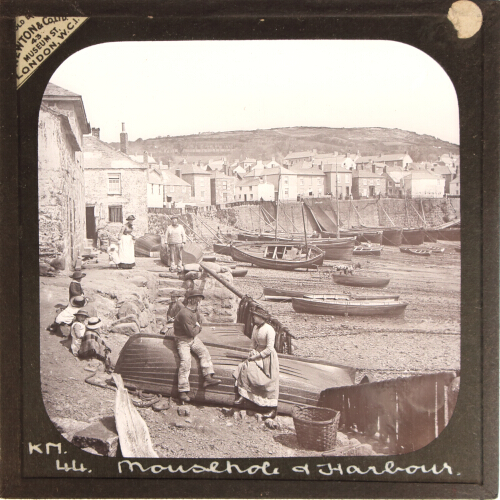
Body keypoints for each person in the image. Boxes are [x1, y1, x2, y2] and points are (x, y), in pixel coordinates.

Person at [173, 289, 221, 402]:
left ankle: (208, 377)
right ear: (191, 300)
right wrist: (198, 327)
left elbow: (199, 323)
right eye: (197, 299)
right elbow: (192, 332)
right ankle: (183, 391)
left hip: (192, 339)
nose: (198, 301)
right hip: (182, 340)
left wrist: (198, 326)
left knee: (204, 352)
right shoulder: (184, 313)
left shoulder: (195, 311)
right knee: (185, 362)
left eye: (199, 299)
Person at [233, 308, 279, 419]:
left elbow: (269, 349)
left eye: (255, 316)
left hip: (267, 357)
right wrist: (251, 352)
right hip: (257, 353)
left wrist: (257, 356)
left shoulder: (269, 329)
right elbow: (252, 343)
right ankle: (243, 395)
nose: (253, 317)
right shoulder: (255, 327)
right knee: (245, 367)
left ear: (261, 318)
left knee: (269, 381)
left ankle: (272, 409)